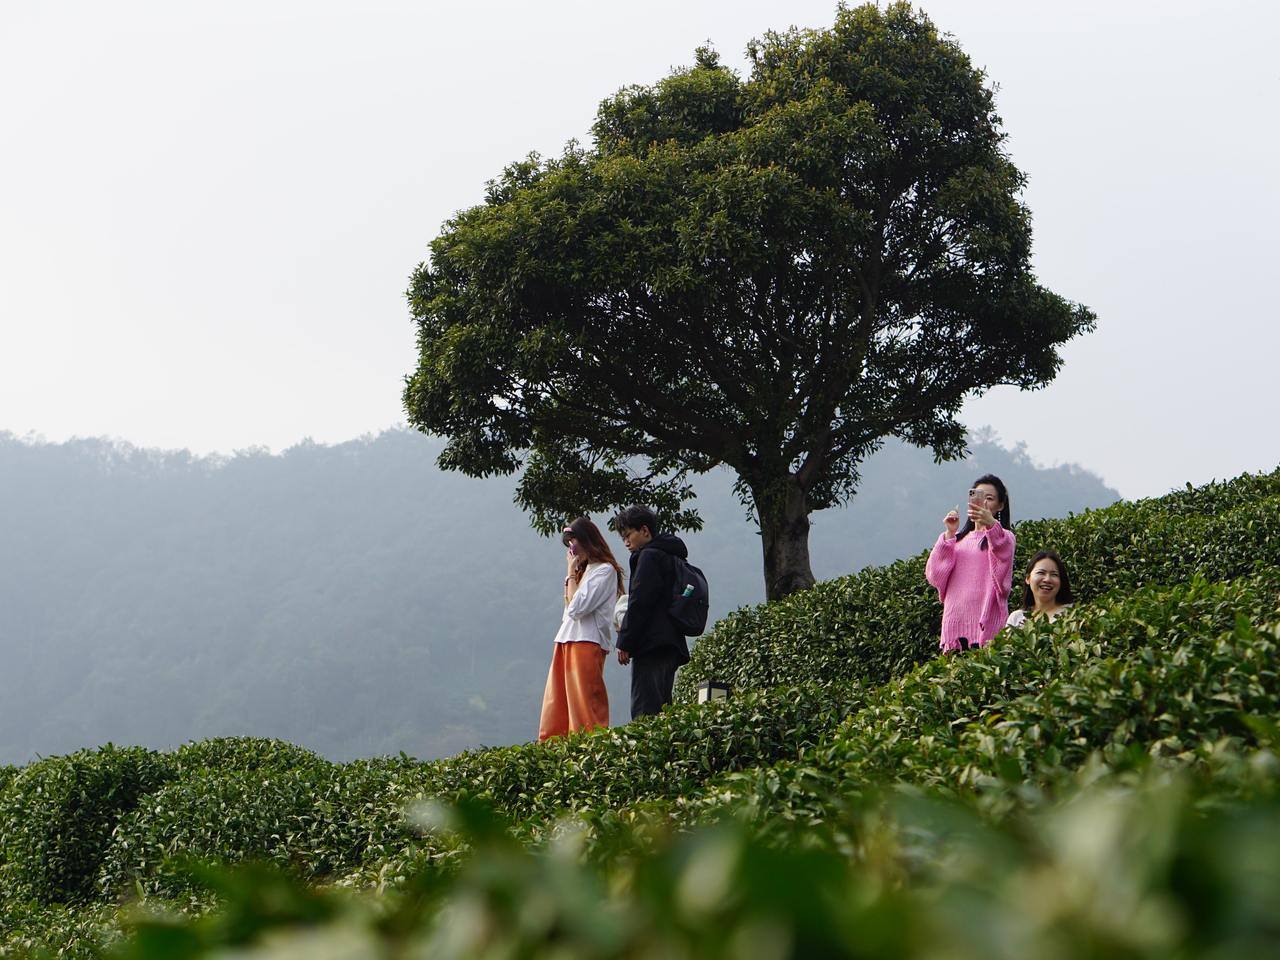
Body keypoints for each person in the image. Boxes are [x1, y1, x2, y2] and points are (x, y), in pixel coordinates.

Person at [538, 516, 624, 741]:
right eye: (569, 546)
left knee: (584, 705)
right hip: (566, 639)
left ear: (588, 541)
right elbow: (569, 609)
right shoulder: (583, 572)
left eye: (574, 544)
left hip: (587, 641)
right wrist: (573, 576)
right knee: (557, 704)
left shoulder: (605, 571)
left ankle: (588, 752)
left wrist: (569, 574)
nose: (572, 550)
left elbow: (576, 607)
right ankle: (554, 752)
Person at [613, 505, 690, 719]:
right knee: (664, 710)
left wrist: (625, 641)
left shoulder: (648, 557)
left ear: (645, 531)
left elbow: (640, 602)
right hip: (671, 643)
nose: (626, 542)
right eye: (623, 538)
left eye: (629, 535)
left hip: (652, 644)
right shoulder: (672, 555)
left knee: (645, 712)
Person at [925, 474, 1015, 654]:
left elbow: (1001, 557)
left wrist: (991, 525)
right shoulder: (956, 541)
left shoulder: (1004, 537)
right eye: (978, 497)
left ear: (1001, 505)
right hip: (955, 630)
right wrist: (949, 534)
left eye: (989, 499)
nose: (983, 503)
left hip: (987, 627)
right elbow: (935, 576)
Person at [1005, 550, 1074, 628]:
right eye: (1041, 573)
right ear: (1028, 578)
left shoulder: (1072, 614)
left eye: (1054, 574)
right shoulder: (1016, 618)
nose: (1047, 579)